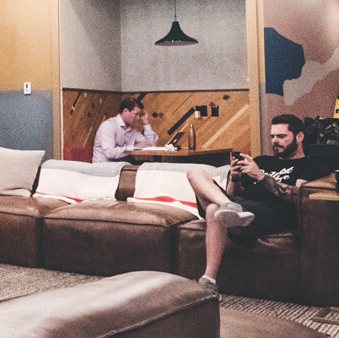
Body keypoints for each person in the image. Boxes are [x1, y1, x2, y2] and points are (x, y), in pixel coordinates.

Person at [186, 114, 331, 295]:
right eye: (272, 136)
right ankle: (227, 206)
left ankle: (209, 281)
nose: (275, 141)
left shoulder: (310, 165)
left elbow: (299, 198)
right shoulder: (261, 161)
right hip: (240, 210)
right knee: (194, 172)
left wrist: (262, 177)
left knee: (213, 209)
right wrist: (235, 178)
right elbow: (234, 194)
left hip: (270, 214)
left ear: (299, 136)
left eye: (281, 136)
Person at [92, 97, 158, 163]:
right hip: (104, 166)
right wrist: (134, 147)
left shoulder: (132, 128)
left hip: (122, 165)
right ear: (125, 111)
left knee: (150, 164)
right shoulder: (109, 125)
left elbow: (149, 145)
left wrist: (146, 122)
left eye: (139, 115)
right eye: (136, 114)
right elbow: (110, 153)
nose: (138, 118)